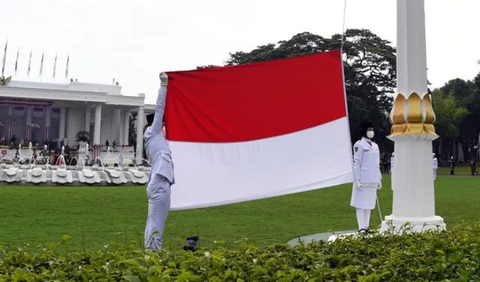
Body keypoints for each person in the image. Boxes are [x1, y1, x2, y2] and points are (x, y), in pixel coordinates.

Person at [144, 73, 175, 251]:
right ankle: (153, 254)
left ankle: (151, 252)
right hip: (160, 183)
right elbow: (159, 109)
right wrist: (164, 87)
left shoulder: (155, 140)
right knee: (156, 222)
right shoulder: (153, 132)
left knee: (153, 220)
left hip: (158, 183)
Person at [350, 122, 382, 234]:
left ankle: (367, 226)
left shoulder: (375, 146)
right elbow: (357, 163)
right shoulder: (359, 145)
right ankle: (361, 227)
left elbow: (377, 164)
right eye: (369, 129)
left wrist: (379, 178)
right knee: (360, 204)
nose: (371, 131)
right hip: (363, 179)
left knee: (369, 204)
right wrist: (356, 179)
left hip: (372, 179)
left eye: (372, 129)